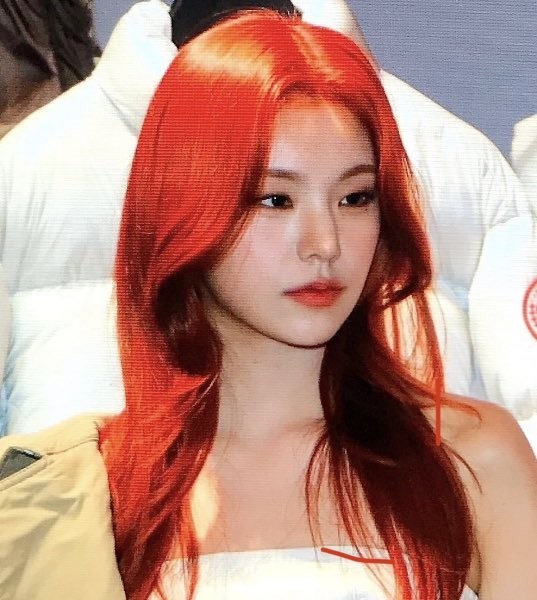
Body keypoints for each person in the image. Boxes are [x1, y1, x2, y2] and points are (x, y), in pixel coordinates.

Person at [1, 11, 536, 600]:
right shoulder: (71, 494)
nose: (324, 243)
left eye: (355, 197)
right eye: (275, 199)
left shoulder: (475, 459)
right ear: (184, 208)